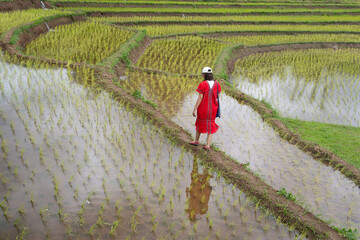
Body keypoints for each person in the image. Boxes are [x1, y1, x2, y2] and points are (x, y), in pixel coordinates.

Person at [189, 67, 221, 151]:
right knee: (211, 125)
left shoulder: (202, 84)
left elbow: (200, 97)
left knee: (199, 123)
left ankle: (196, 141)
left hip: (203, 108)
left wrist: (194, 109)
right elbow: (218, 96)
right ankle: (207, 145)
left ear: (204, 75)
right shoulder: (217, 84)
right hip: (213, 109)